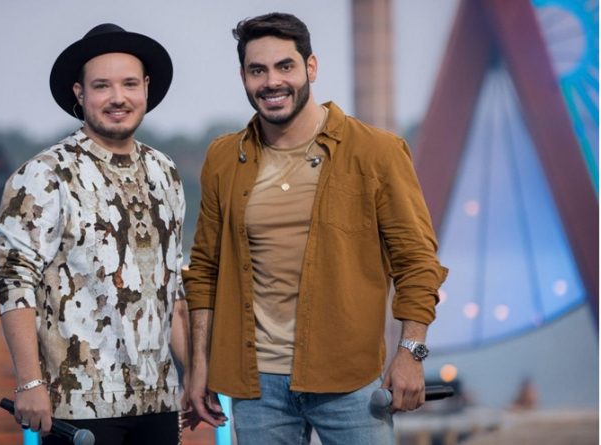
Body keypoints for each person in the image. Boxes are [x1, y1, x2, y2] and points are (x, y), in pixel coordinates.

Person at [183, 12, 448, 445]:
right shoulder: (224, 158)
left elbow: (417, 262)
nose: (272, 81)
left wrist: (411, 352)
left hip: (350, 381)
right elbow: (205, 272)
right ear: (243, 77)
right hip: (256, 386)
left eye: (285, 66)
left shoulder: (376, 152)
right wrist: (199, 366)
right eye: (257, 70)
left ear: (311, 67)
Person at [0, 23, 190, 444]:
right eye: (102, 86)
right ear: (80, 94)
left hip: (159, 400)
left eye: (129, 84)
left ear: (146, 88)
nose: (118, 97)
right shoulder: (44, 174)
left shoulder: (165, 172)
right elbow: (14, 281)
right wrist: (29, 382)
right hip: (77, 403)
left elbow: (172, 288)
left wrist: (192, 374)